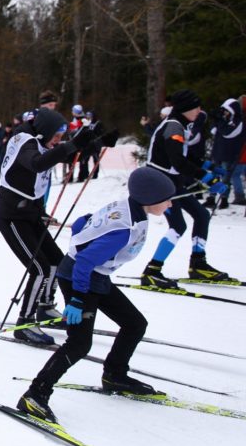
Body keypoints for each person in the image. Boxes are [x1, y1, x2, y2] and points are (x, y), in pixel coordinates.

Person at [17, 168, 176, 423]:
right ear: (149, 198)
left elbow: (82, 222)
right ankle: (35, 394)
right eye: (166, 199)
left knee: (135, 324)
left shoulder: (130, 209)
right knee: (79, 343)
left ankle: (115, 375)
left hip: (96, 277)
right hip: (80, 278)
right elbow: (84, 261)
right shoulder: (124, 228)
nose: (170, 203)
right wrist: (78, 299)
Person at [0, 107, 104, 344]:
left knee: (57, 261)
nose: (58, 140)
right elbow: (36, 163)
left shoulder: (42, 142)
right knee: (40, 268)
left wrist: (94, 143)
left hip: (30, 214)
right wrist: (71, 145)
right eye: (56, 135)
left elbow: (66, 155)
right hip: (11, 215)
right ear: (45, 130)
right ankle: (24, 322)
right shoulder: (24, 141)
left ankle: (44, 306)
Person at [140, 90, 230, 287]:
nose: (199, 110)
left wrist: (208, 167)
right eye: (196, 107)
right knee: (178, 226)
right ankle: (152, 270)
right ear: (186, 108)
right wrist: (208, 179)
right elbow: (178, 162)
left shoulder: (179, 125)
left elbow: (184, 156)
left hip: (172, 183)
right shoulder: (173, 127)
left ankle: (198, 264)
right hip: (160, 184)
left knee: (202, 215)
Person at [210, 97, 244, 208]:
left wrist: (220, 121)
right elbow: (213, 131)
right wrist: (217, 119)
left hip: (228, 155)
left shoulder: (237, 122)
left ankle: (224, 198)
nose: (224, 113)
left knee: (225, 178)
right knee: (214, 176)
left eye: (226, 110)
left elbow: (227, 133)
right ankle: (211, 196)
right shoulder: (225, 121)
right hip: (218, 153)